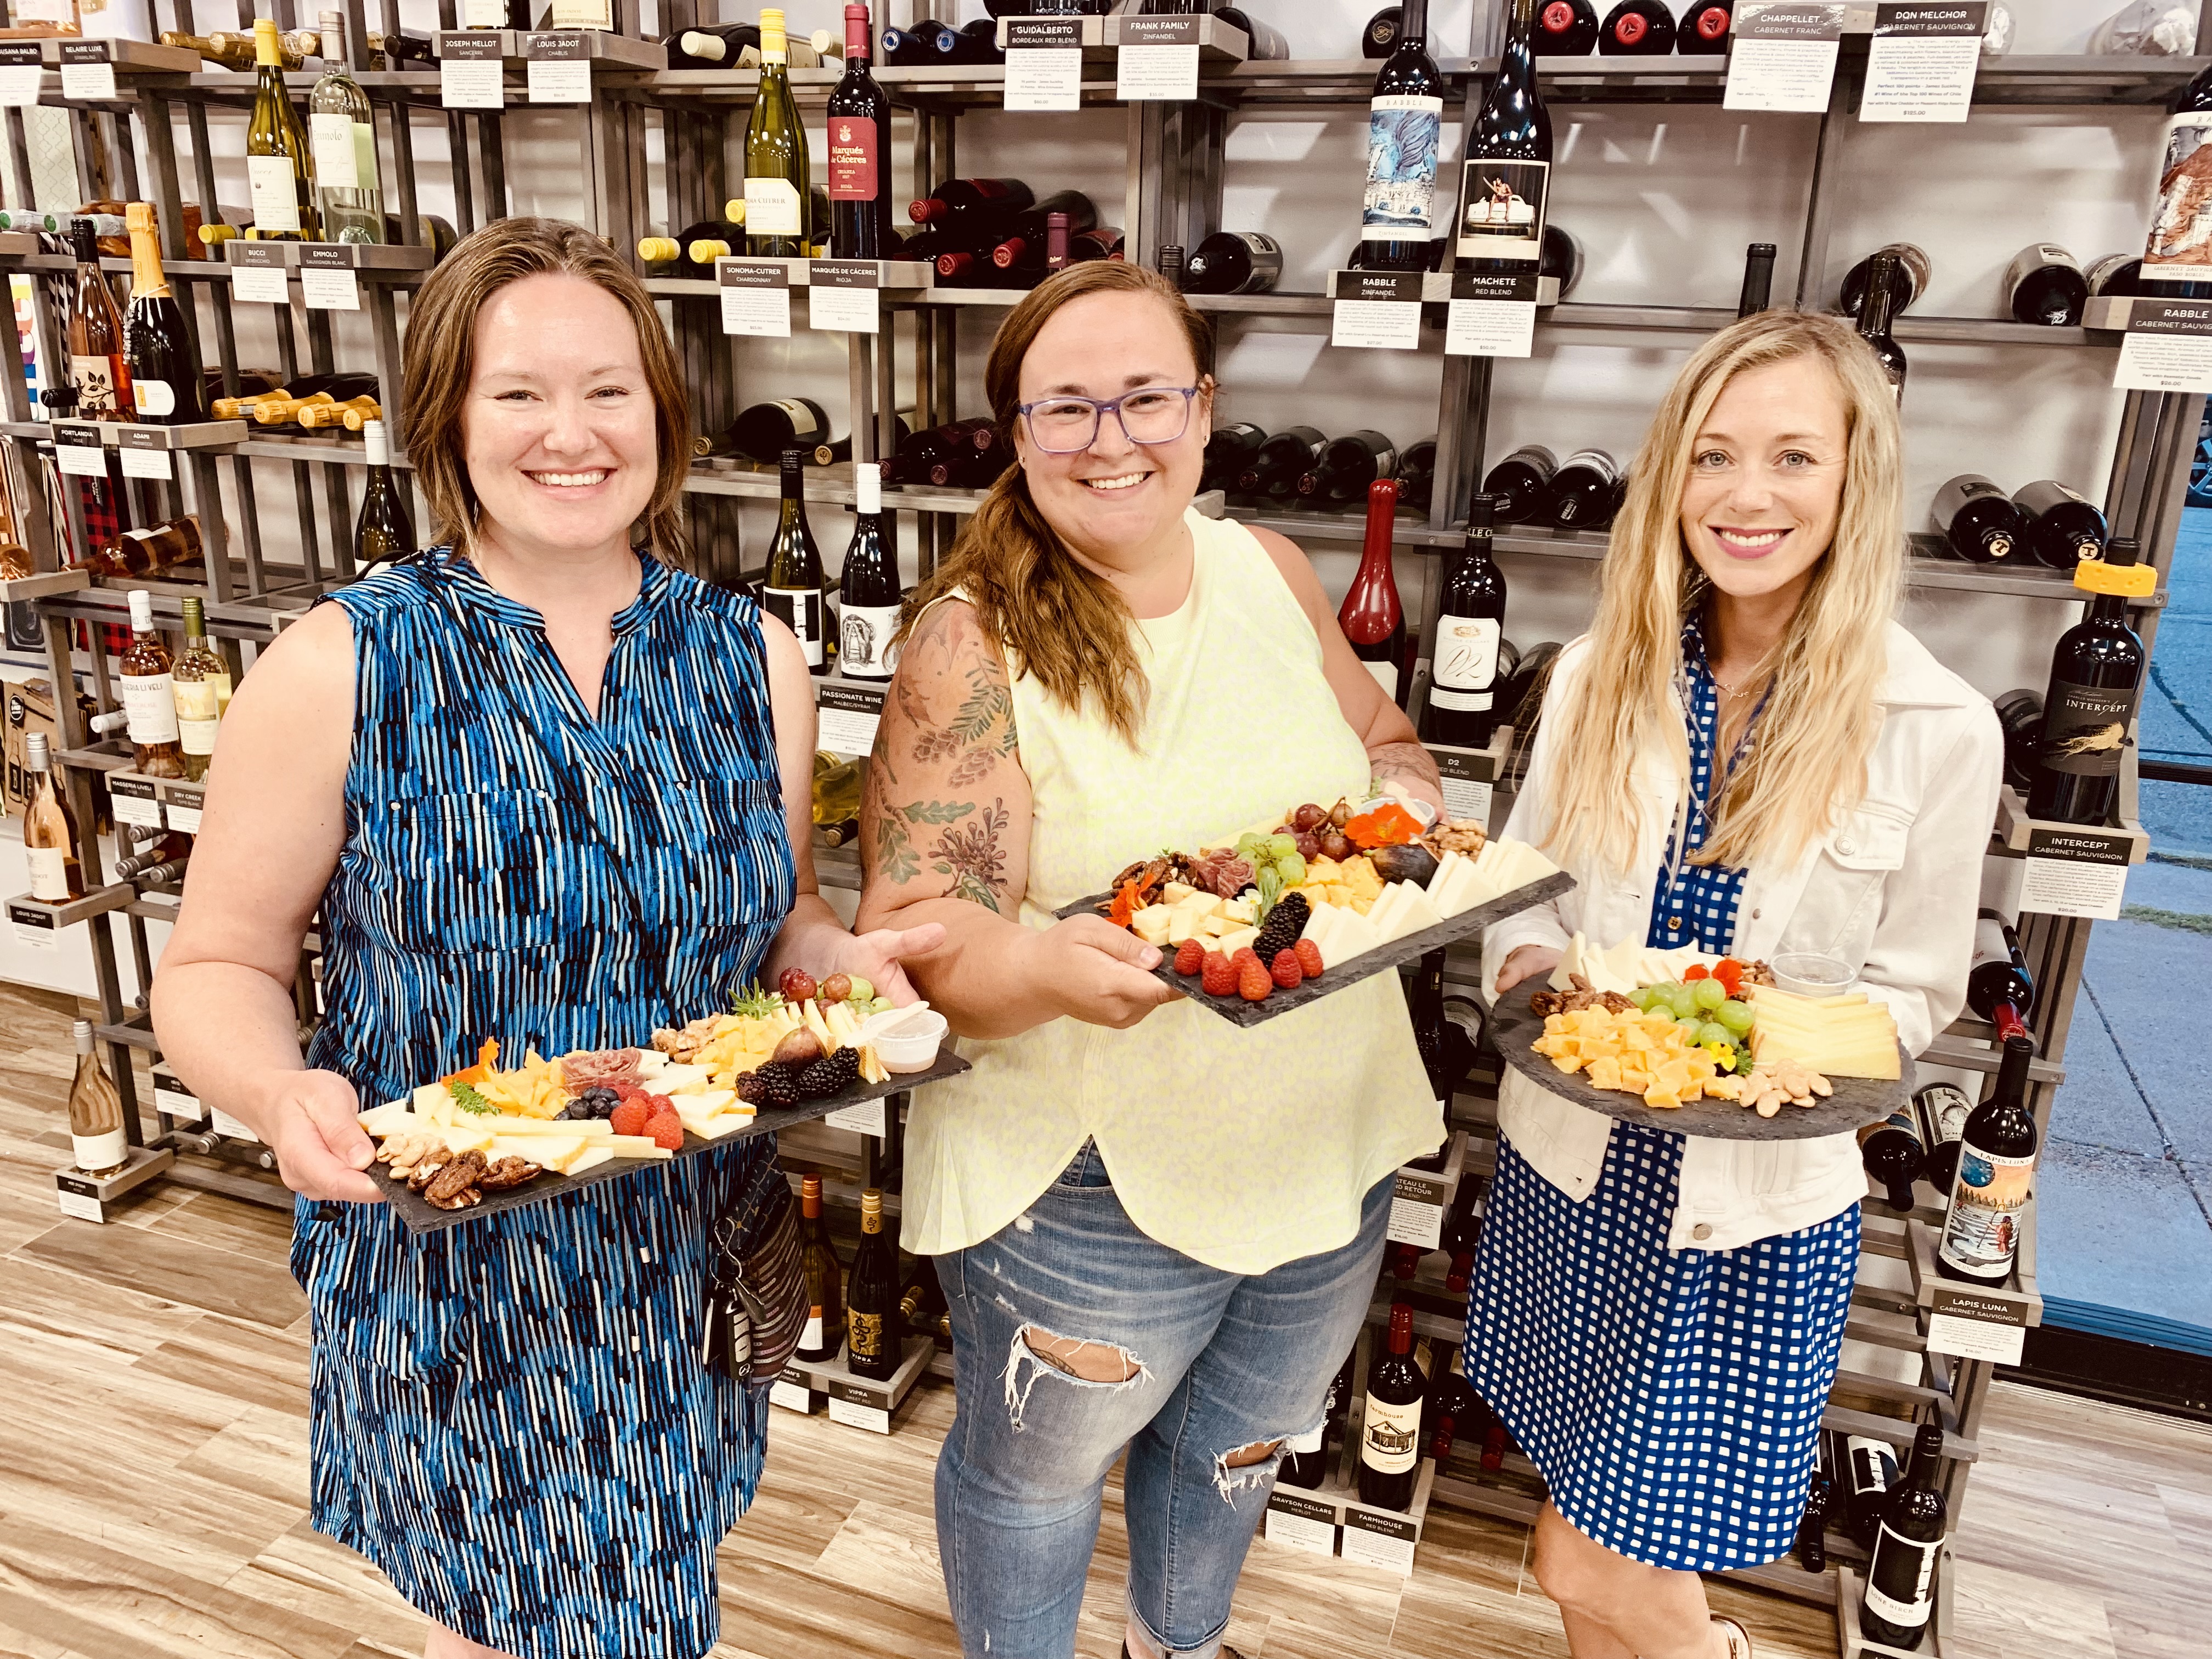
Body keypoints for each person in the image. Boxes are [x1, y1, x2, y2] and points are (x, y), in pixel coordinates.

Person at [149, 218, 939, 1659]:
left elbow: (778, 923)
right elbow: (216, 968)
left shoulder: (748, 655)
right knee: (524, 1619)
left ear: (663, 413)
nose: (569, 432)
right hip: (459, 1266)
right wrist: (278, 1092)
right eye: (519, 392)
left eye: (610, 390)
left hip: (692, 1243)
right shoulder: (340, 665)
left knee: (647, 1591)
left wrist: (845, 970)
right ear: (448, 415)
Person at [853, 259, 1443, 1659]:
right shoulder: (972, 638)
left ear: (1205, 409)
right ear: (1016, 433)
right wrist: (1052, 970)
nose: (1111, 440)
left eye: (1145, 399)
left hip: (1327, 1128)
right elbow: (920, 935)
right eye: (1067, 409)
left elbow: (1383, 741)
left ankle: (1173, 1643)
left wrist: (1409, 809)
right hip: (1095, 1177)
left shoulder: (1268, 568)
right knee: (1037, 1481)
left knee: (1239, 1448)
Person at [1471, 309, 2003, 1659]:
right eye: (1712, 457)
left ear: (1855, 480)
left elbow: (1916, 994)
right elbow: (1523, 886)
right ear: (1670, 478)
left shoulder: (1936, 727)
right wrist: (1528, 959)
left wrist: (1760, 1040)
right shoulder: (1601, 673)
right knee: (1587, 1553)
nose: (1746, 496)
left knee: (1582, 1555)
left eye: (1791, 459)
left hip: (1750, 1215)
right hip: (1577, 1173)